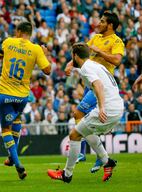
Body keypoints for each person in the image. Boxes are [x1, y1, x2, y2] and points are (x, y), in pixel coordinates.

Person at [48, 43, 123, 183]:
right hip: (117, 106)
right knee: (86, 132)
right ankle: (107, 162)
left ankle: (67, 174)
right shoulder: (94, 65)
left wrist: (101, 108)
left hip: (109, 108)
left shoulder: (86, 68)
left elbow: (99, 85)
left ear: (75, 56)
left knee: (74, 135)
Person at [64, 11, 124, 172]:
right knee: (84, 122)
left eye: (102, 21)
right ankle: (102, 158)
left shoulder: (117, 41)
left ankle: (83, 154)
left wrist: (100, 51)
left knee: (78, 114)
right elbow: (83, 52)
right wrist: (71, 63)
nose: (98, 23)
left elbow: (117, 60)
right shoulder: (96, 37)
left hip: (101, 85)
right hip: (90, 82)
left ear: (110, 25)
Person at [0, 21, 51, 180]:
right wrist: (45, 54)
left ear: (18, 31)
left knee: (6, 129)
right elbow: (47, 71)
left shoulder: (8, 42)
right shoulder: (36, 49)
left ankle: (18, 163)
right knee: (17, 119)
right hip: (22, 96)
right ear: (30, 33)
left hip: (5, 93)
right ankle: (12, 158)